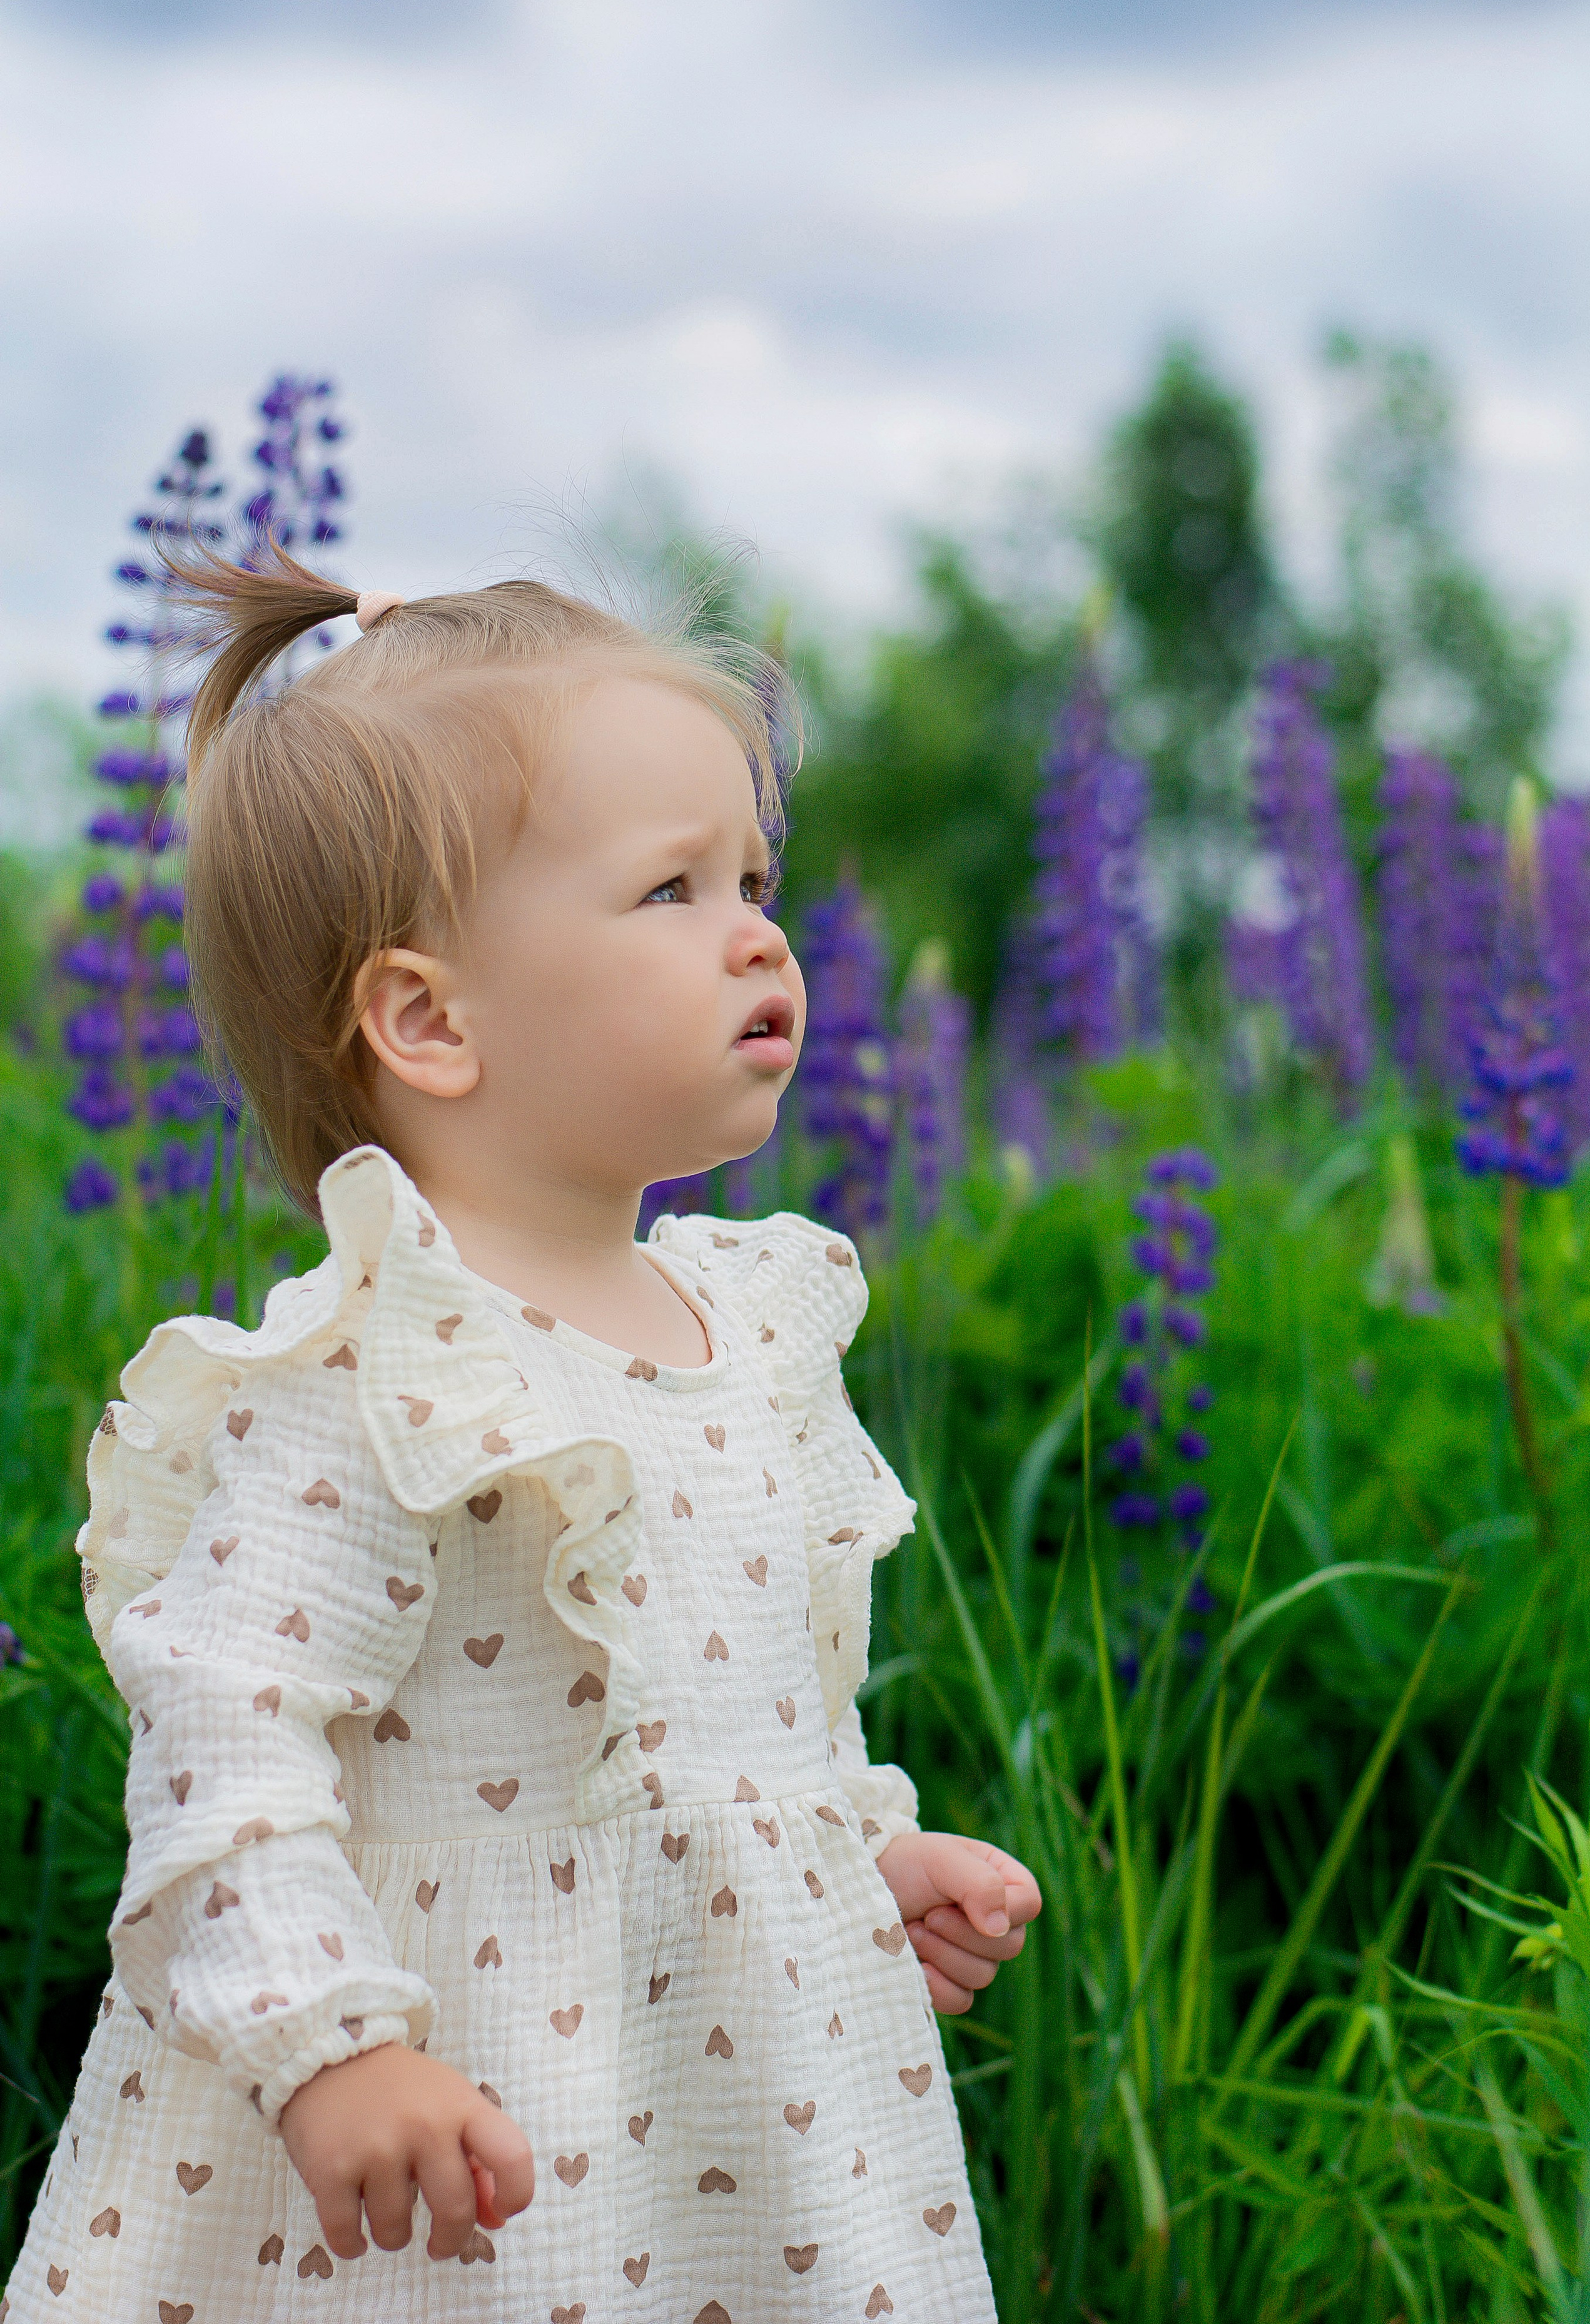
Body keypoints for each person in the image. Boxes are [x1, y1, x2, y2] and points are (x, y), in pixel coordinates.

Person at [6, 544, 1038, 2321]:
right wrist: (334, 2051)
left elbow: (747, 1725)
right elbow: (224, 1750)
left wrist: (868, 1858)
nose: (759, 930)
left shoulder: (751, 1331)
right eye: (667, 892)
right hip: (468, 2148)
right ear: (428, 1017)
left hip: (758, 2135)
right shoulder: (371, 1372)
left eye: (755, 878)